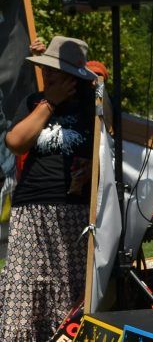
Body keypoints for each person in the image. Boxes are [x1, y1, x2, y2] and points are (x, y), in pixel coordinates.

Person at [0, 37, 99, 341]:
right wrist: (50, 101)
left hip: (75, 211)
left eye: (54, 71)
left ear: (72, 77)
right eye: (45, 70)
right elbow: (16, 142)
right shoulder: (34, 103)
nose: (47, 75)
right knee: (26, 287)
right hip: (31, 208)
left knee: (68, 287)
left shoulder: (91, 108)